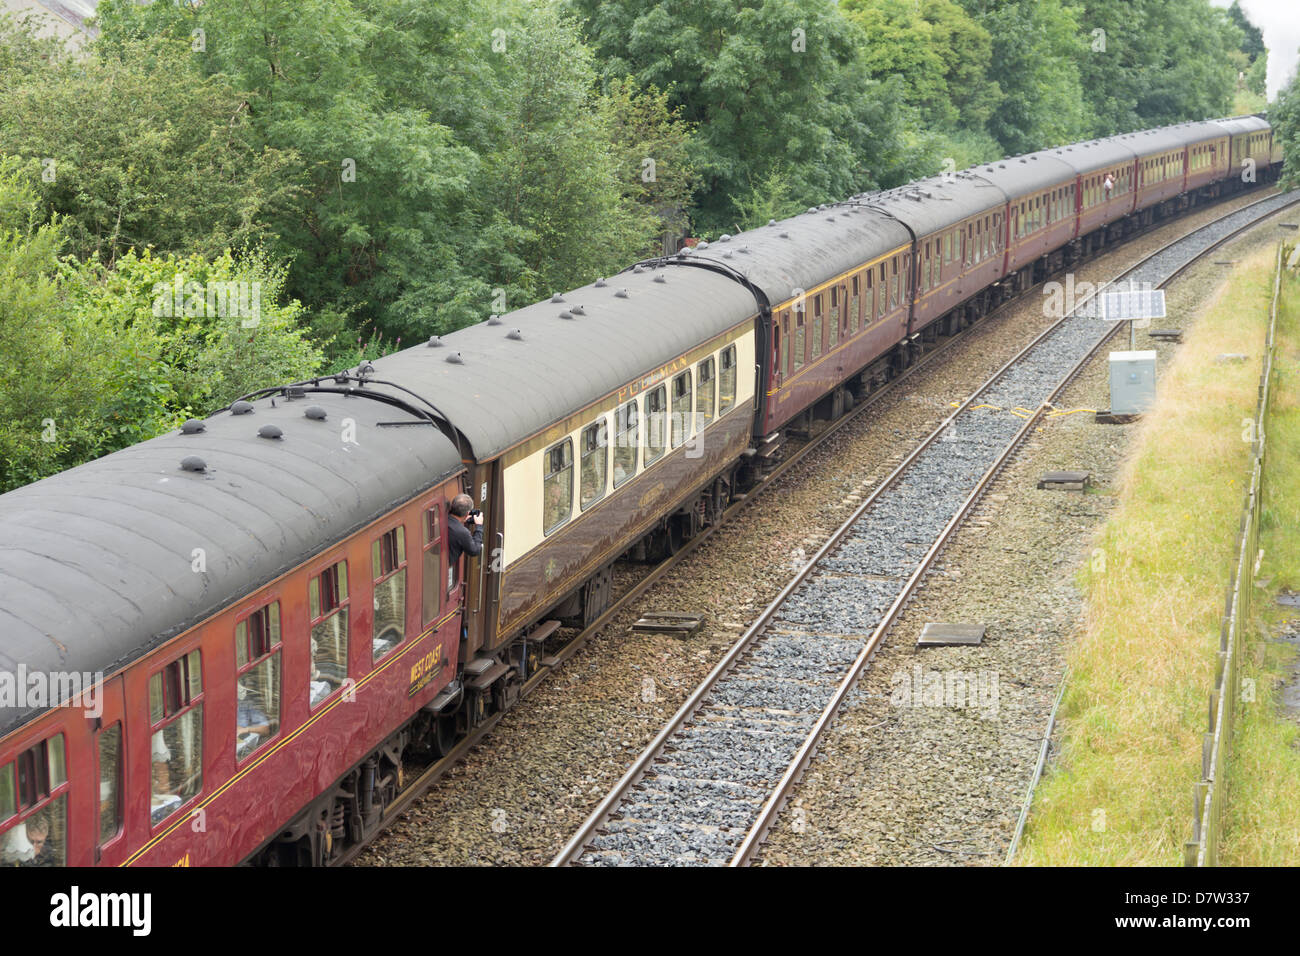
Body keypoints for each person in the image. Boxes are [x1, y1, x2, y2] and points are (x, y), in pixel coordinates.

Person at [448, 493, 483, 567]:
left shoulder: (442, 519)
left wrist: (463, 520)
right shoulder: (462, 532)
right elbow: (474, 551)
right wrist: (479, 526)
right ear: (467, 513)